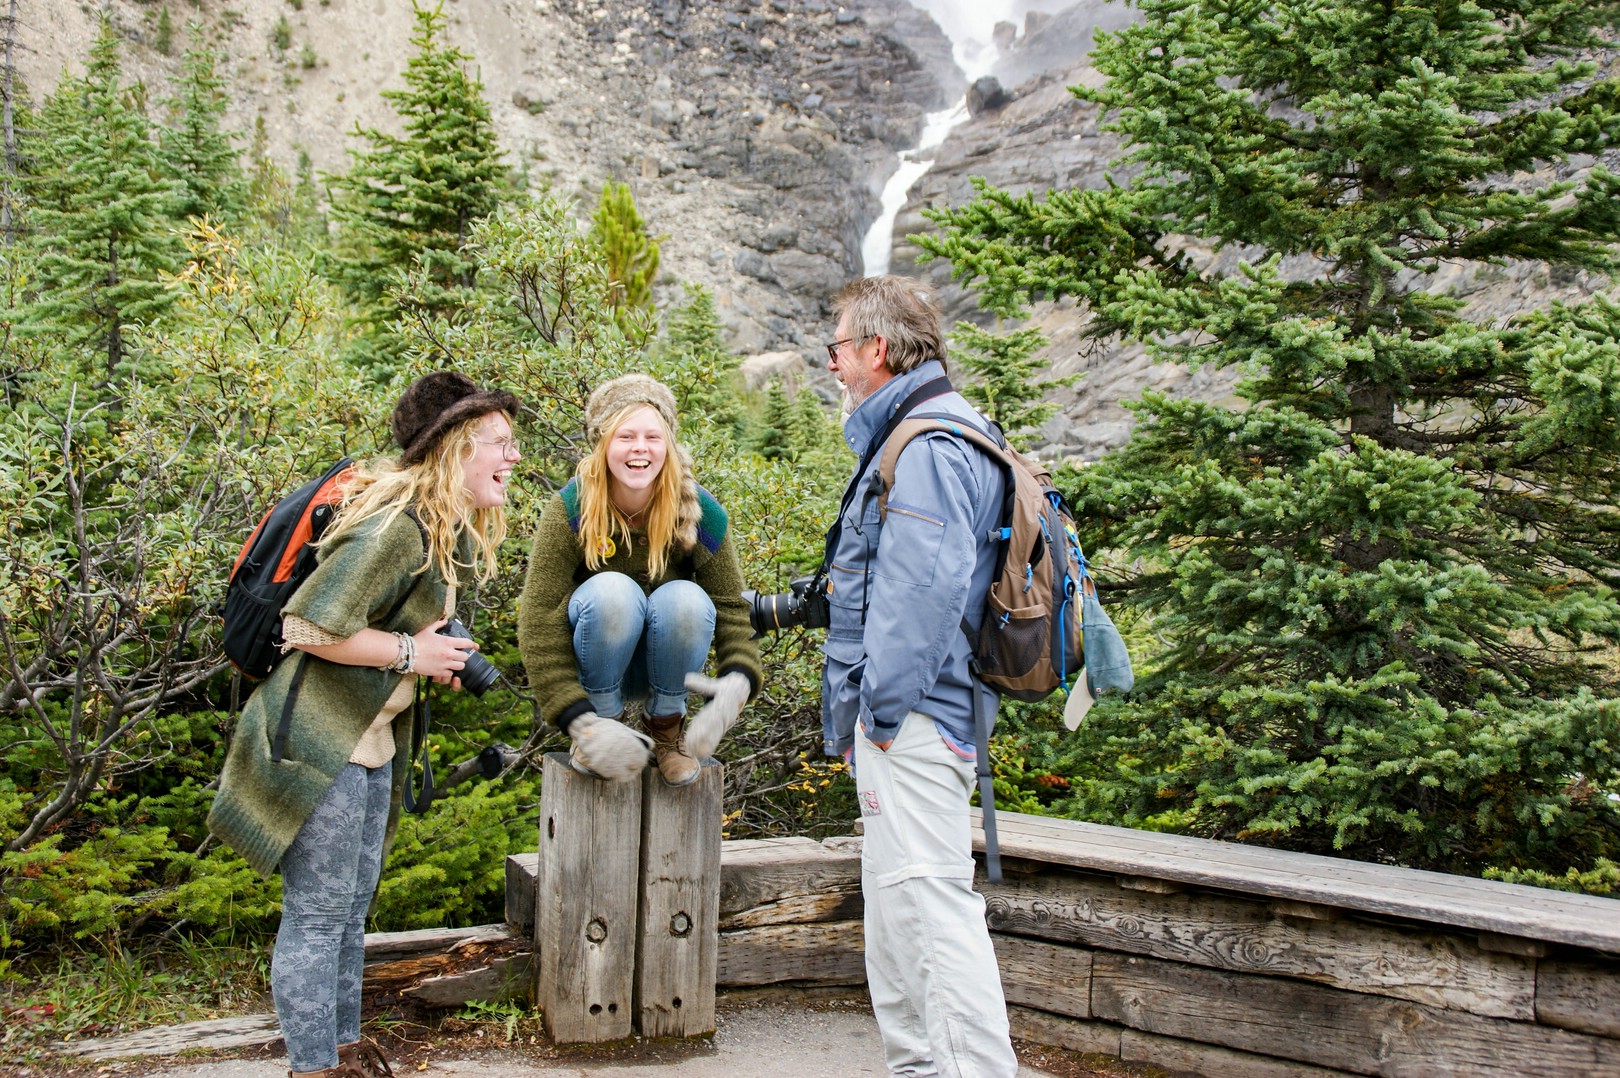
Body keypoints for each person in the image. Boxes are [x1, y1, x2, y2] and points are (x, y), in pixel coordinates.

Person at [208, 371, 522, 1078]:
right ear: (454, 447)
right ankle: (313, 1067)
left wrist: (425, 657)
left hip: (368, 742)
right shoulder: (394, 526)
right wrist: (417, 651)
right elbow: (307, 625)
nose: (514, 456)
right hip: (320, 741)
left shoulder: (437, 525)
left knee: (348, 911)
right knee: (319, 915)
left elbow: (381, 630)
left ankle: (344, 1052)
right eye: (499, 442)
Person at [821, 275, 1019, 1077]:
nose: (831, 364)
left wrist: (880, 715)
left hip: (917, 723)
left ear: (876, 349)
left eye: (836, 348)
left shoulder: (928, 445)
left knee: (932, 911)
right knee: (904, 913)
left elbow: (920, 598)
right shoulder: (922, 433)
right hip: (915, 722)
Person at [517, 373, 761, 786]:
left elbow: (733, 604)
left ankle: (666, 728)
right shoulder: (571, 509)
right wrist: (579, 720)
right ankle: (603, 724)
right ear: (602, 443)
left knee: (685, 598)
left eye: (652, 436)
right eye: (625, 436)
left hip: (667, 663)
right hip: (596, 656)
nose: (640, 449)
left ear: (668, 444)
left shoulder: (700, 511)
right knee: (613, 592)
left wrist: (739, 677)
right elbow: (538, 616)